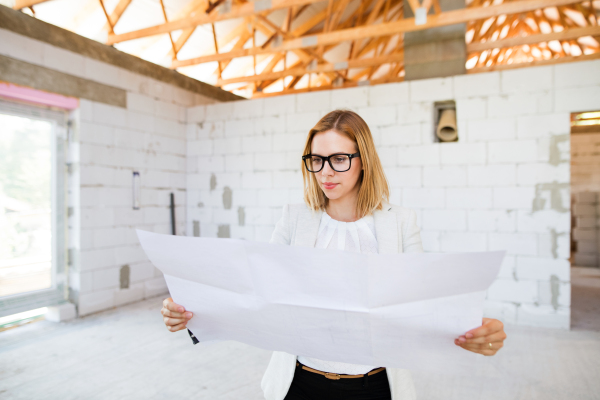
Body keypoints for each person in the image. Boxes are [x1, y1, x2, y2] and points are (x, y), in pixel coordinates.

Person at [160, 110, 507, 400]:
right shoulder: (293, 218)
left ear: (363, 161)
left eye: (339, 159)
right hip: (300, 382)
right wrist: (193, 310)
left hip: (374, 387)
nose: (325, 171)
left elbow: (422, 303)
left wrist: (473, 331)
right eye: (316, 159)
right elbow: (253, 287)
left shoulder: (400, 222)